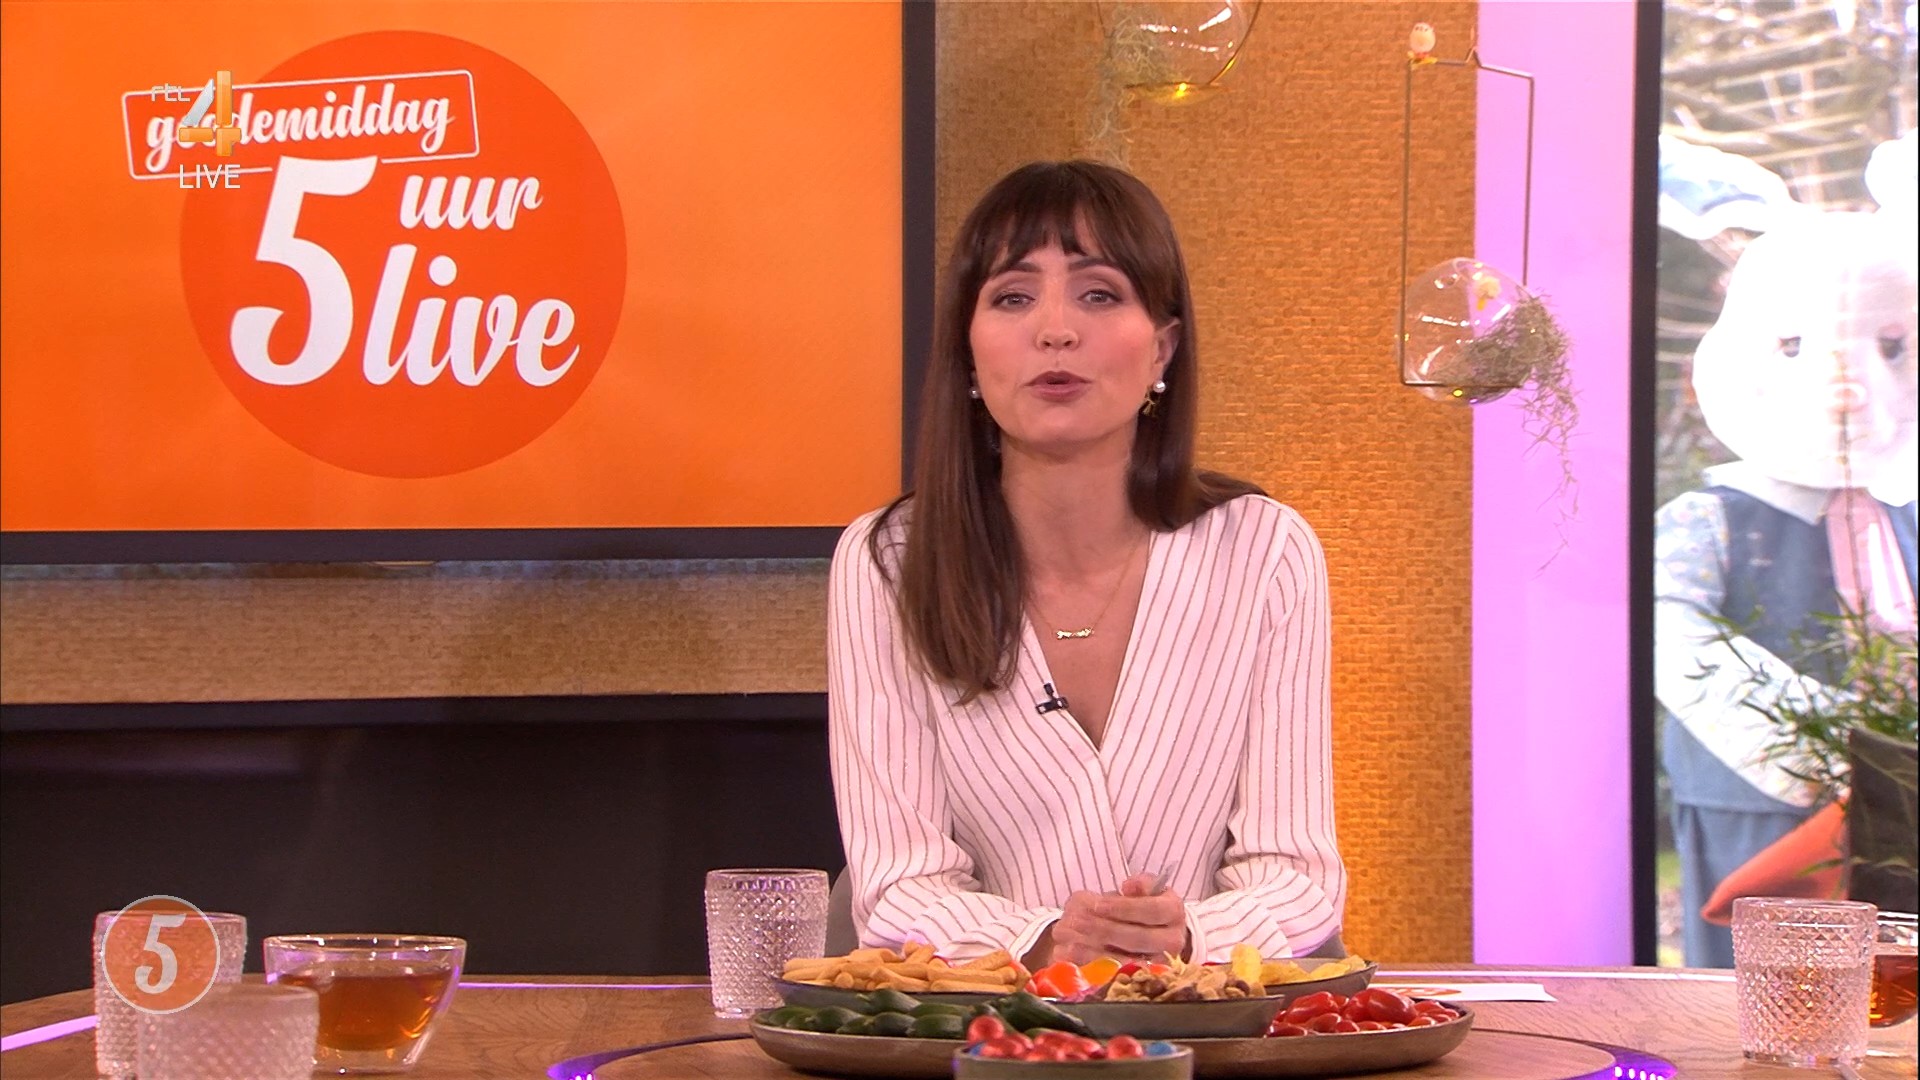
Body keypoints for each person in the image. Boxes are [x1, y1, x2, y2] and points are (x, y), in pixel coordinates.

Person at [827, 160, 1345, 968]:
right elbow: (898, 886)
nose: (1055, 331)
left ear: (1162, 349)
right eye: (1013, 297)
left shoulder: (1264, 551)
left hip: (1205, 1018)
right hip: (989, 1024)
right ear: (968, 352)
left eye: (1098, 294)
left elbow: (1298, 875)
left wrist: (1191, 936)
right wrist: (1042, 943)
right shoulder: (887, 562)